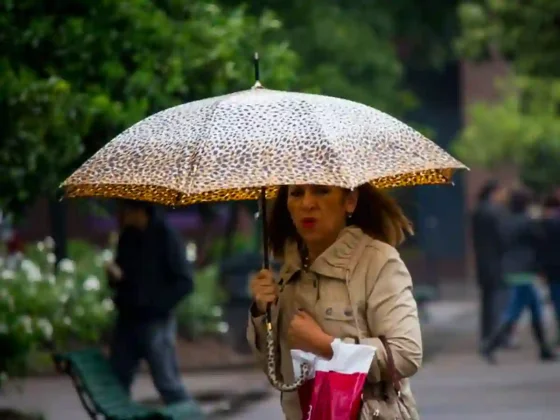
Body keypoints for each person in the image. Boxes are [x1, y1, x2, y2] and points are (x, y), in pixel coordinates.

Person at [247, 184, 422, 419]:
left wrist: (327, 346)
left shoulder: (378, 262)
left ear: (349, 201)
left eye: (321, 191)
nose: (307, 203)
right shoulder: (288, 275)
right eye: (296, 193)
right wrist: (262, 312)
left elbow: (406, 354)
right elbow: (278, 373)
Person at [105, 199, 193, 404]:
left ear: (139, 211)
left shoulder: (166, 236)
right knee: (117, 381)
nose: (120, 215)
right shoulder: (127, 237)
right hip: (127, 320)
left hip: (156, 322)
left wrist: (156, 305)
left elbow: (185, 282)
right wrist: (115, 277)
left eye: (124, 210)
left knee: (167, 383)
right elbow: (125, 278)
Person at [480, 189, 556, 363]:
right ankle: (490, 345)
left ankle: (544, 349)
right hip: (525, 271)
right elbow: (539, 240)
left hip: (511, 268)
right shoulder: (528, 222)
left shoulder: (505, 222)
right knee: (514, 310)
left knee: (534, 308)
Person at [471, 180, 512, 345]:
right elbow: (504, 238)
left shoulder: (478, 211)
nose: (505, 196)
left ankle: (487, 335)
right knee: (499, 301)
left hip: (484, 264)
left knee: (488, 303)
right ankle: (498, 337)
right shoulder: (496, 212)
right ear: (494, 193)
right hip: (497, 264)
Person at [538, 194, 560, 346]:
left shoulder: (546, 225)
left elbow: (542, 249)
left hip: (553, 270)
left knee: (557, 302)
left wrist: (541, 270)